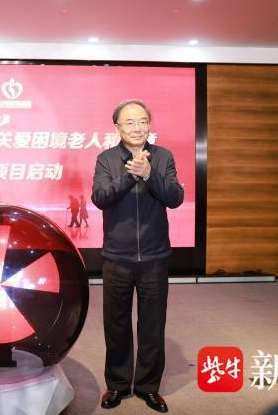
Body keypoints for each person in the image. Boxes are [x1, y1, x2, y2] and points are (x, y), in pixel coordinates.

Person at [91, 99, 184, 413]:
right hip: (117, 257)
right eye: (129, 122)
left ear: (149, 125)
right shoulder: (106, 159)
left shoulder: (163, 157)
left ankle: (148, 387)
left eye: (142, 121)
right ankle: (117, 385)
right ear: (117, 127)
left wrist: (149, 174)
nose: (137, 127)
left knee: (152, 326)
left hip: (155, 258)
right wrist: (131, 175)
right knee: (116, 325)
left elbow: (175, 197)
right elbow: (100, 198)